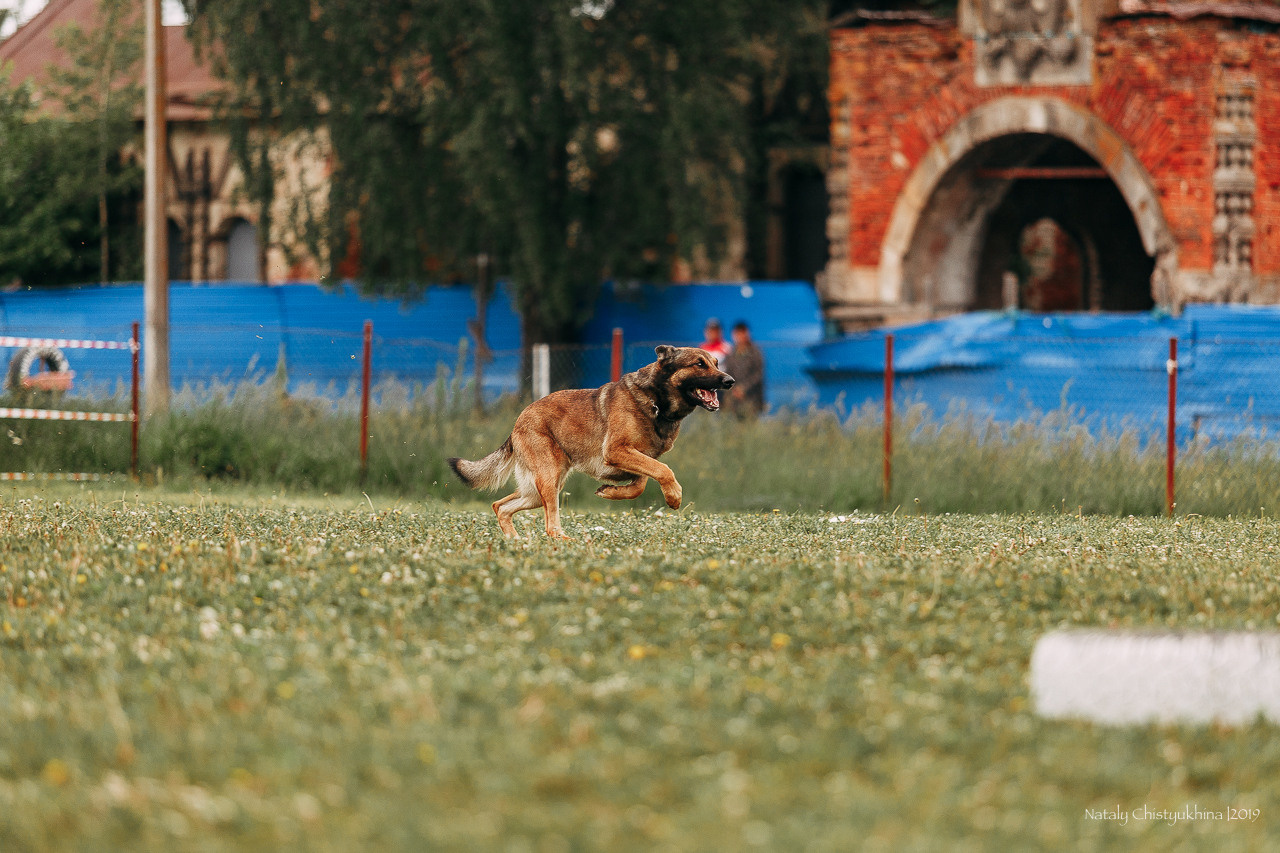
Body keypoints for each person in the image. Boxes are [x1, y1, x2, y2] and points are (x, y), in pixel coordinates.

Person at [723, 320, 765, 418]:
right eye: (738, 333)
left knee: (750, 427)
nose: (740, 336)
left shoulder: (755, 352)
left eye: (743, 333)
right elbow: (727, 373)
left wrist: (743, 388)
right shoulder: (731, 354)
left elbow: (758, 374)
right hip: (734, 400)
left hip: (752, 399)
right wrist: (734, 389)